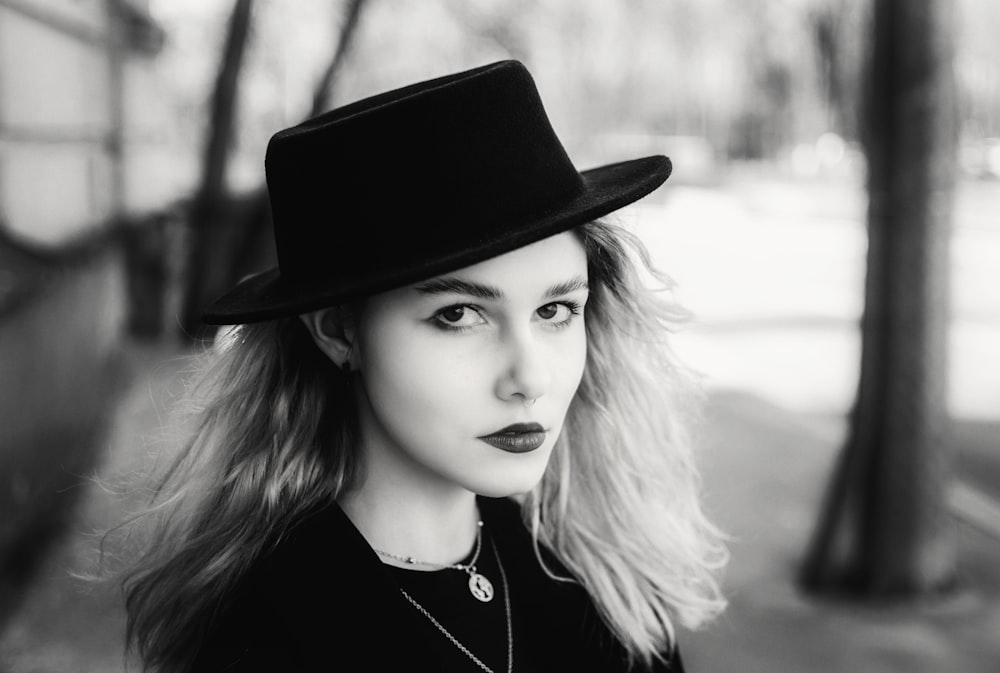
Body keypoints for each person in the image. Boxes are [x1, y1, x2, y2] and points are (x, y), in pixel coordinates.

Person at [121, 60, 727, 672]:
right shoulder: (269, 643)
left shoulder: (600, 581)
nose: (531, 378)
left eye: (556, 309)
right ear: (337, 330)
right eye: (459, 315)